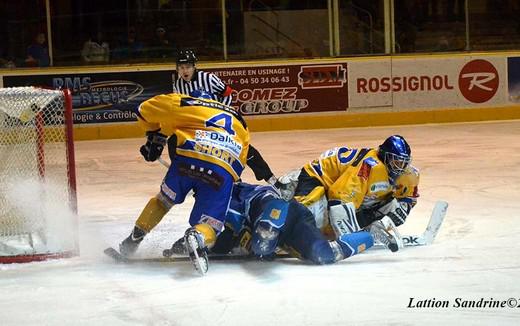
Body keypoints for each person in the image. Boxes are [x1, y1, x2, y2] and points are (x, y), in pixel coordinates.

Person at [118, 89, 250, 275]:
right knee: (211, 224)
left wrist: (154, 137)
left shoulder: (184, 102)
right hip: (223, 167)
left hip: (188, 158)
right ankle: (197, 236)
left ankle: (132, 241)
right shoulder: (239, 120)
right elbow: (242, 158)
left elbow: (142, 110)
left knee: (163, 201)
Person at [207, 182, 399, 267]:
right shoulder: (219, 204)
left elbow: (264, 196)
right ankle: (373, 233)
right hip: (291, 227)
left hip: (284, 211)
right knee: (324, 255)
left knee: (264, 237)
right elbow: (229, 236)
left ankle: (269, 230)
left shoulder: (232, 192)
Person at [279, 135, 416, 239]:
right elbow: (339, 197)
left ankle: (364, 230)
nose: (400, 168)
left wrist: (398, 213)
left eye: (403, 163)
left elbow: (408, 199)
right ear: (384, 157)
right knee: (308, 218)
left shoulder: (408, 173)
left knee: (393, 205)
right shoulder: (370, 166)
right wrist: (348, 237)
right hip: (316, 178)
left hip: (341, 186)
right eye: (396, 162)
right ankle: (281, 231)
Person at [172, 49, 277, 184]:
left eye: (187, 67)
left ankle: (270, 178)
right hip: (201, 124)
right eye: (181, 68)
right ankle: (231, 180)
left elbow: (227, 92)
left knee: (241, 148)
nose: (184, 71)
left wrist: (223, 113)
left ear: (194, 67)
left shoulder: (208, 79)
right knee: (186, 144)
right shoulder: (178, 85)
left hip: (222, 119)